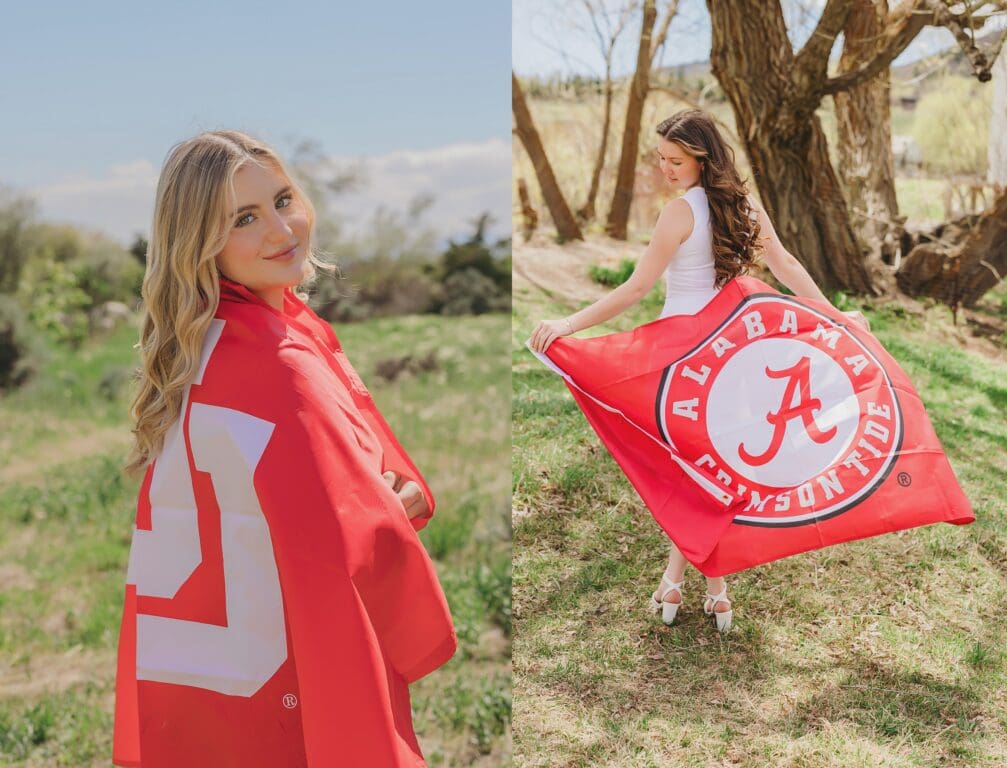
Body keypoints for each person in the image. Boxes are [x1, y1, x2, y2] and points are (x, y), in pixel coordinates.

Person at [113, 130, 456, 767]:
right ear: (200, 244)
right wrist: (396, 509)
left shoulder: (201, 346)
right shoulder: (280, 359)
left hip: (191, 658)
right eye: (245, 218)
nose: (283, 228)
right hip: (284, 656)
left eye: (283, 199)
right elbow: (349, 530)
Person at [529, 109, 869, 634]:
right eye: (661, 158)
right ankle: (711, 589)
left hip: (685, 363)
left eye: (675, 160)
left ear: (702, 158)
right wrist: (831, 314)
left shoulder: (678, 214)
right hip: (732, 356)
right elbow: (786, 265)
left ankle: (687, 584)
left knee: (695, 472)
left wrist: (569, 323)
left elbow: (638, 288)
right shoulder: (744, 204)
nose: (665, 168)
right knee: (715, 470)